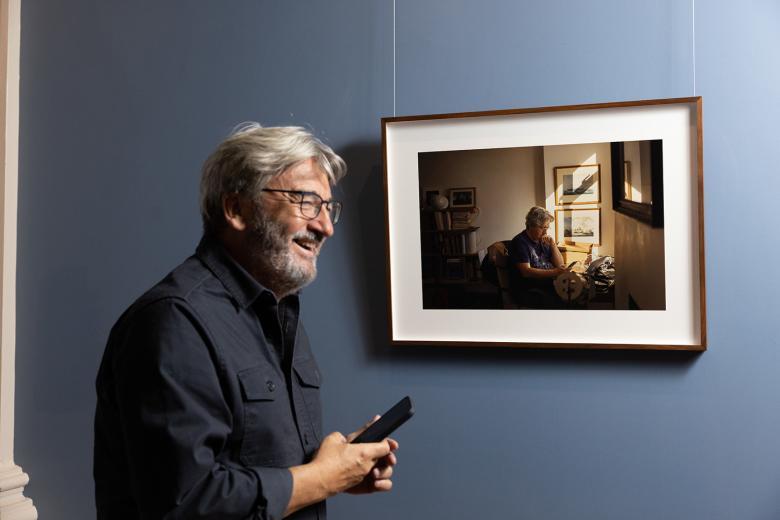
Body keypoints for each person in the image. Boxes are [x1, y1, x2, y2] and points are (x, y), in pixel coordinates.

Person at [94, 123, 398, 519]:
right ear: (236, 209)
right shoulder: (172, 322)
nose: (325, 226)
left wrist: (341, 470)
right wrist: (324, 478)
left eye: (328, 208)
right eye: (306, 201)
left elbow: (265, 469)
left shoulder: (281, 312)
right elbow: (186, 503)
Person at [508, 206, 569, 308]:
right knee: (565, 301)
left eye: (547, 227)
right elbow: (526, 272)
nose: (545, 232)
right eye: (542, 228)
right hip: (529, 290)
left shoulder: (543, 240)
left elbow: (560, 264)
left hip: (548, 285)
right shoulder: (520, 242)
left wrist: (553, 244)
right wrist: (555, 272)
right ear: (531, 225)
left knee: (577, 294)